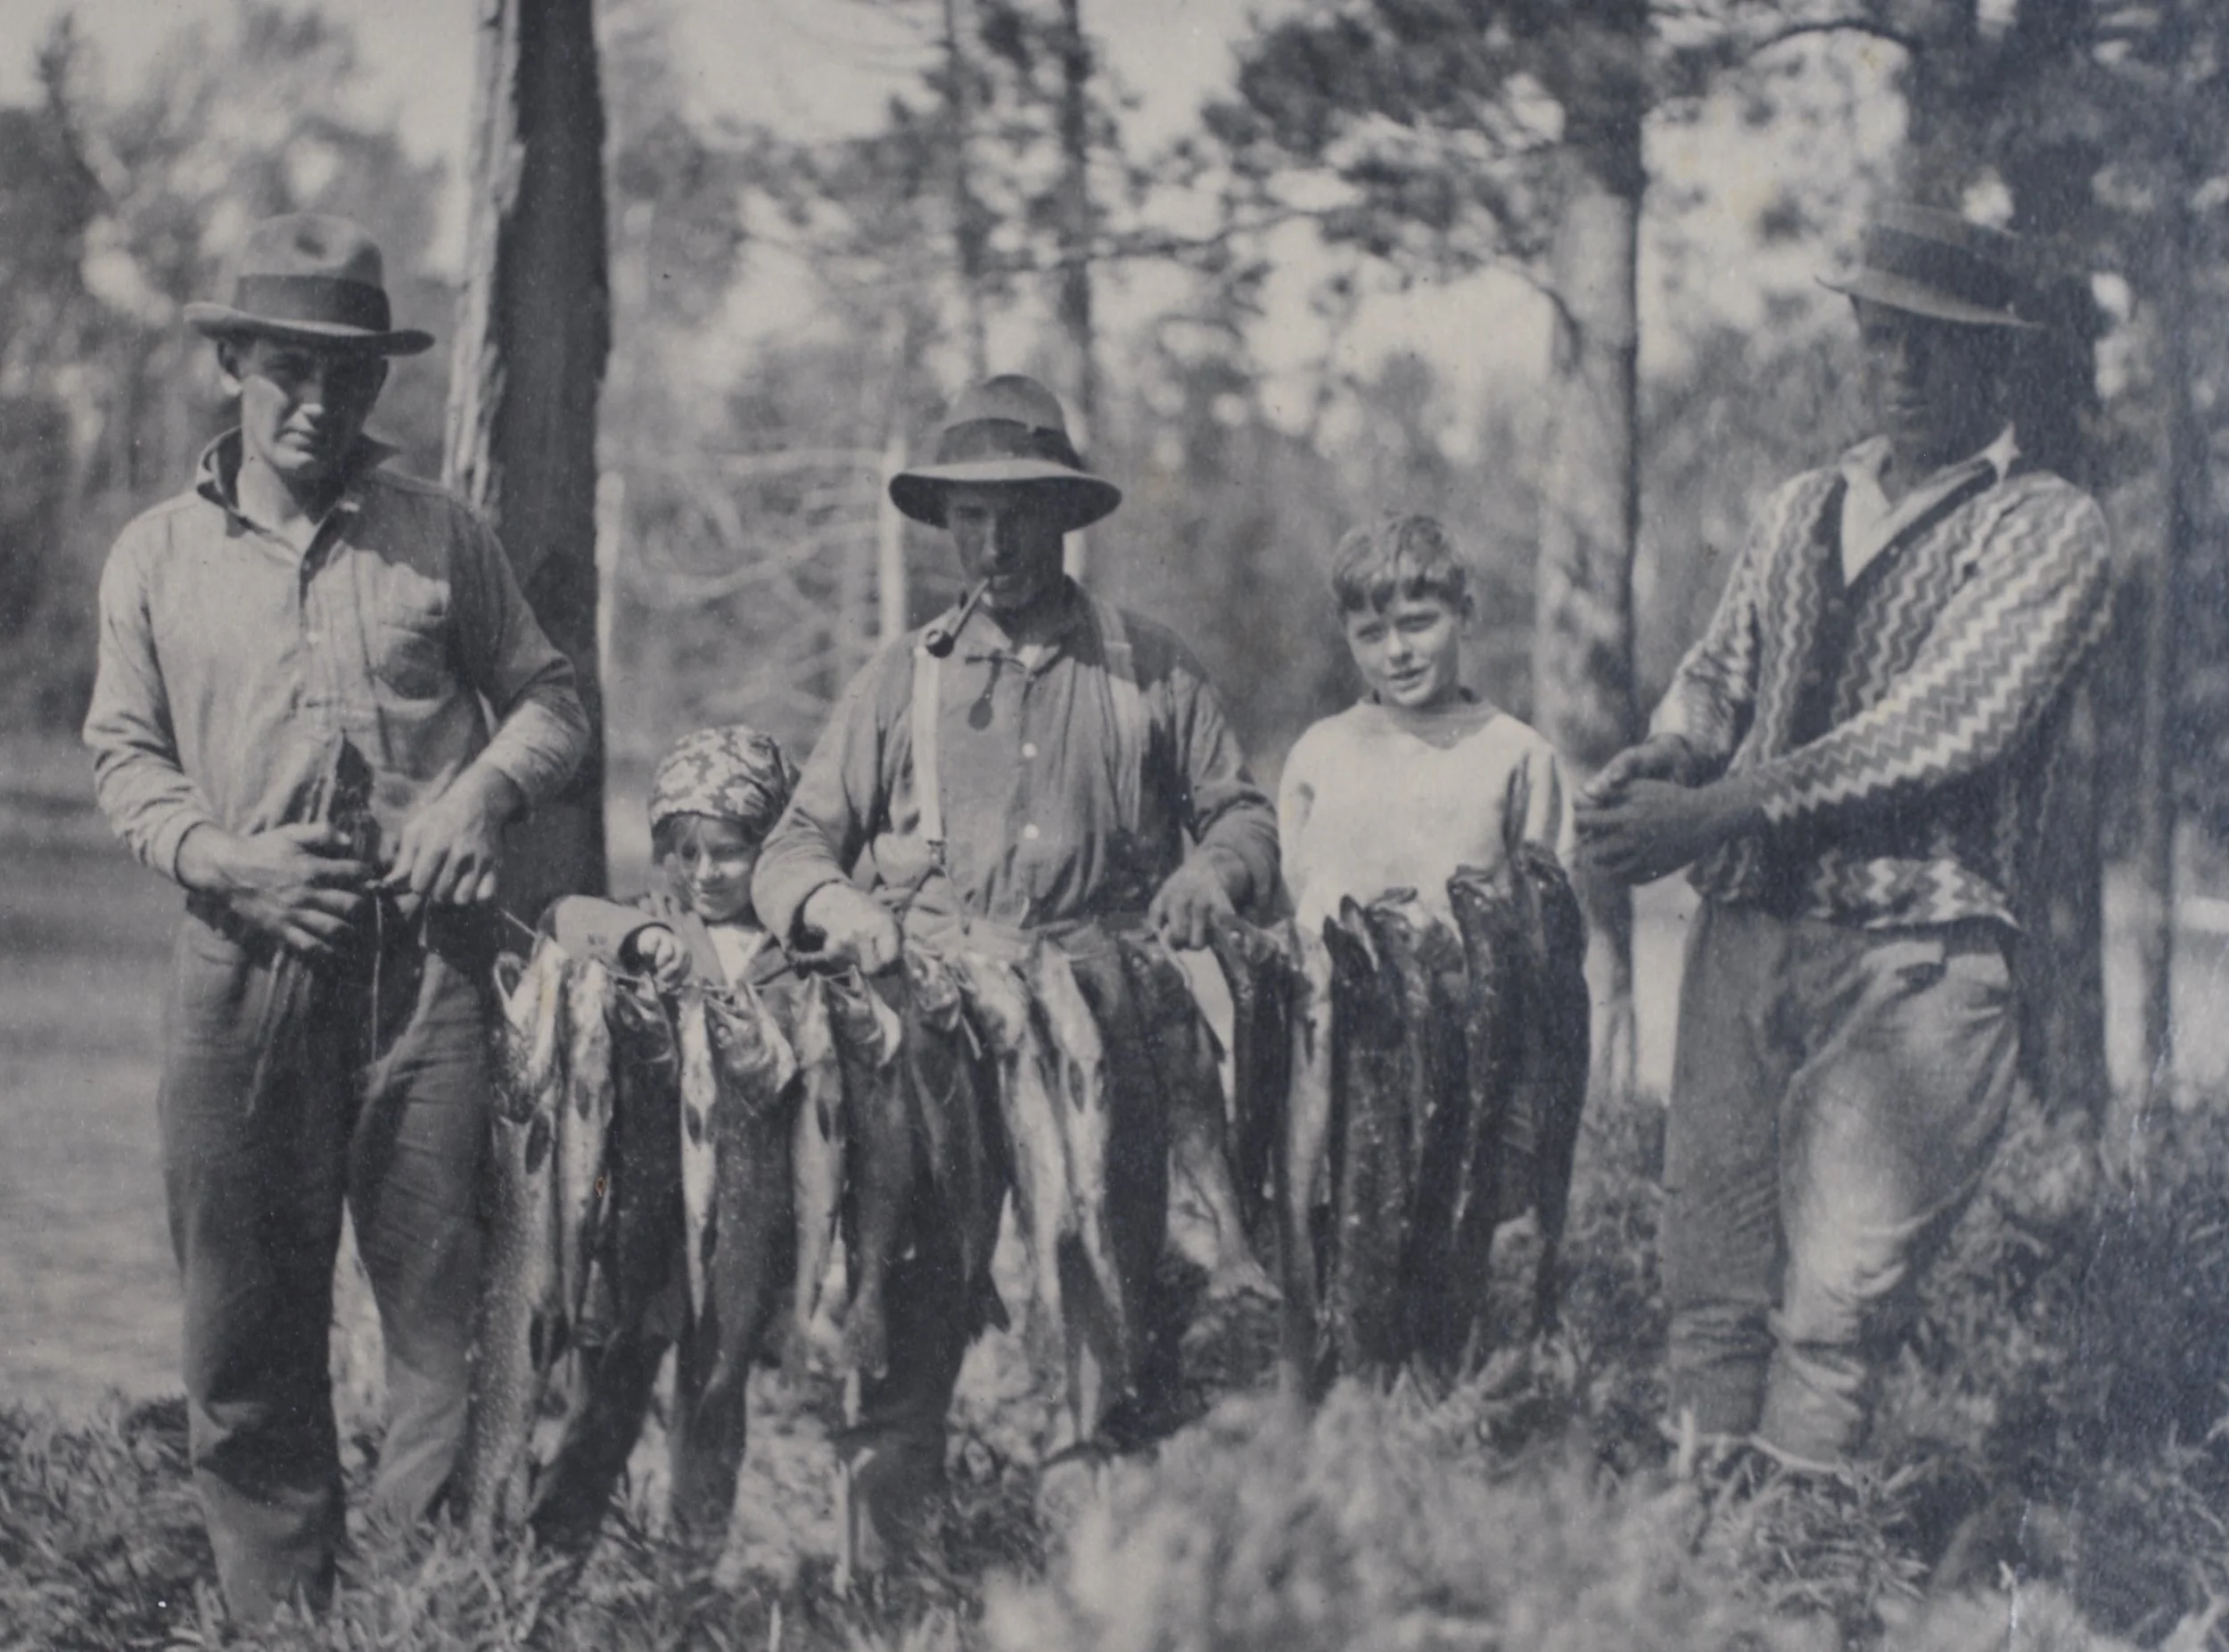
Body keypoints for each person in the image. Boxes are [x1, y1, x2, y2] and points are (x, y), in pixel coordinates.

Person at [82, 212, 590, 1621]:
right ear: (234, 362)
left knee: (449, 1341)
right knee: (246, 1345)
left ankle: (423, 1611)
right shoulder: (154, 557)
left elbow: (553, 702)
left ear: (379, 385)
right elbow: (123, 756)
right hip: (240, 971)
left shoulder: (440, 534)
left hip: (431, 986)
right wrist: (224, 862)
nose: (317, 403)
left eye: (349, 376)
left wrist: (477, 802)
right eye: (289, 370)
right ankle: (281, 1621)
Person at [1577, 203, 2116, 1474]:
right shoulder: (1801, 505)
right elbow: (1724, 667)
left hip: (1914, 964)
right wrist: (1674, 748)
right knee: (1709, 1283)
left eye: (1932, 344)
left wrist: (1715, 808)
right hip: (1748, 935)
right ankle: (1700, 1573)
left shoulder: (2044, 526)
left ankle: (1795, 1580)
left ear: (1997, 358)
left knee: (1836, 1314)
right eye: (1881, 340)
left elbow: (1945, 728)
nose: (1901, 371)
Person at [751, 374, 1280, 1561]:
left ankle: (1096, 1584)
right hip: (931, 1030)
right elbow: (789, 848)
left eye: (1018, 516)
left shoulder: (1147, 668)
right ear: (945, 523)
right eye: (970, 519)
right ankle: (886, 1582)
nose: (992, 546)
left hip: (1100, 1020)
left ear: (1063, 516)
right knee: (906, 1302)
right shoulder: (902, 680)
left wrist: (1215, 877)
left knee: (1104, 1307)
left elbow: (1244, 814)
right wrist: (836, 908)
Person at [527, 723, 801, 1550]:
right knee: (602, 1400)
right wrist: (638, 941)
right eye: (681, 850)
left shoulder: (793, 955)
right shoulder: (645, 923)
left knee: (713, 1406)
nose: (703, 871)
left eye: (728, 850)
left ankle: (688, 1586)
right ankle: (548, 1561)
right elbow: (562, 917)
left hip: (742, 1228)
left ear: (772, 849)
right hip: (635, 1223)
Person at [1279, 512, 1574, 934]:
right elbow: (1300, 904)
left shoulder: (1518, 756)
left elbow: (1556, 924)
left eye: (1418, 624)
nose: (1396, 650)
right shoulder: (1317, 756)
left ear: (1465, 616)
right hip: (1347, 997)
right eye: (1371, 634)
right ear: (1345, 634)